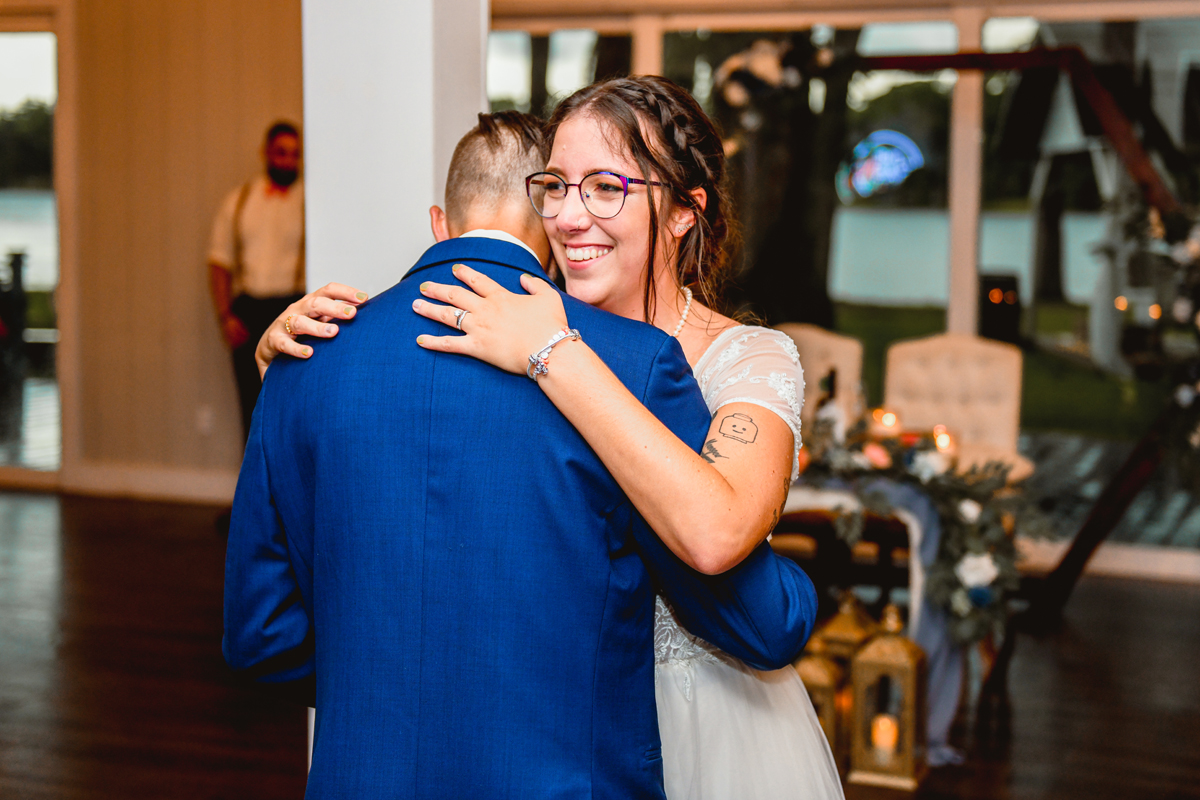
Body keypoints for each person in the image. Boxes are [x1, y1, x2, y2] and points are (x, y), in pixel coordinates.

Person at [259, 81, 844, 799]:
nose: (568, 217)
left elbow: (723, 545)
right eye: (556, 186)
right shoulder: (496, 334)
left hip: (711, 729)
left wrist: (555, 353)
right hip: (534, 744)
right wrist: (289, 371)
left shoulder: (745, 357)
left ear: (686, 212)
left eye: (605, 187)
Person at [208, 120, 307, 441]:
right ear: (266, 153)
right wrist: (225, 315)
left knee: (292, 406)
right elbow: (219, 261)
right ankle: (256, 488)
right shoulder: (239, 201)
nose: (287, 161)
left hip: (291, 308)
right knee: (251, 407)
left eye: (294, 154)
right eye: (281, 153)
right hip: (248, 311)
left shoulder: (310, 202)